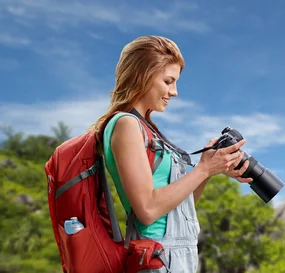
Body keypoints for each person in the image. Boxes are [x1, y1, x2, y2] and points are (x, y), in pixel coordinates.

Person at [88, 35, 252, 273]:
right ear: (142, 75)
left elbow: (180, 208)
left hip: (176, 255)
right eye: (168, 81)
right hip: (157, 257)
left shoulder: (148, 129)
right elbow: (147, 210)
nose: (174, 92)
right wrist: (203, 169)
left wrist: (209, 171)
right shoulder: (126, 125)